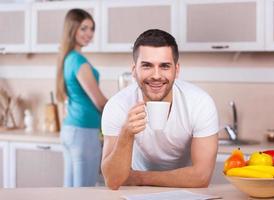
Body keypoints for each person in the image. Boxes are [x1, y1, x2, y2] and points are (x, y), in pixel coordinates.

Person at [101, 29, 219, 190]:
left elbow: (201, 176)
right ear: (134, 71)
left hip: (184, 192)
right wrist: (126, 134)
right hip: (136, 193)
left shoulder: (200, 103)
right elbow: (113, 180)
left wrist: (139, 177)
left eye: (164, 66)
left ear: (176, 70)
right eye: (147, 65)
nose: (156, 75)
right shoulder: (117, 106)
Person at [56, 8, 107, 187]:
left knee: (71, 191)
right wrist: (120, 110)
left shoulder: (68, 58)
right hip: (84, 132)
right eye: (84, 28)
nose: (89, 34)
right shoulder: (78, 61)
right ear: (73, 28)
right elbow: (100, 101)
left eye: (92, 29)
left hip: (71, 130)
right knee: (84, 192)